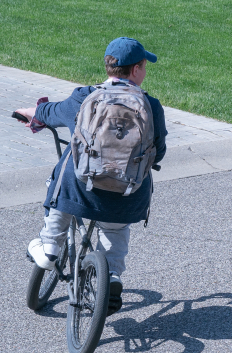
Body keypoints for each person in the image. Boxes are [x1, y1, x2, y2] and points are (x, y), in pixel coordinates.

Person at [16, 37, 168, 313]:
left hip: (82, 187)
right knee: (116, 227)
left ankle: (50, 245)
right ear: (135, 70)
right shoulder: (151, 105)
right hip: (127, 193)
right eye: (144, 66)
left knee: (64, 177)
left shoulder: (84, 96)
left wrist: (30, 113)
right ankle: (110, 276)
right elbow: (159, 151)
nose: (145, 72)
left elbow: (50, 112)